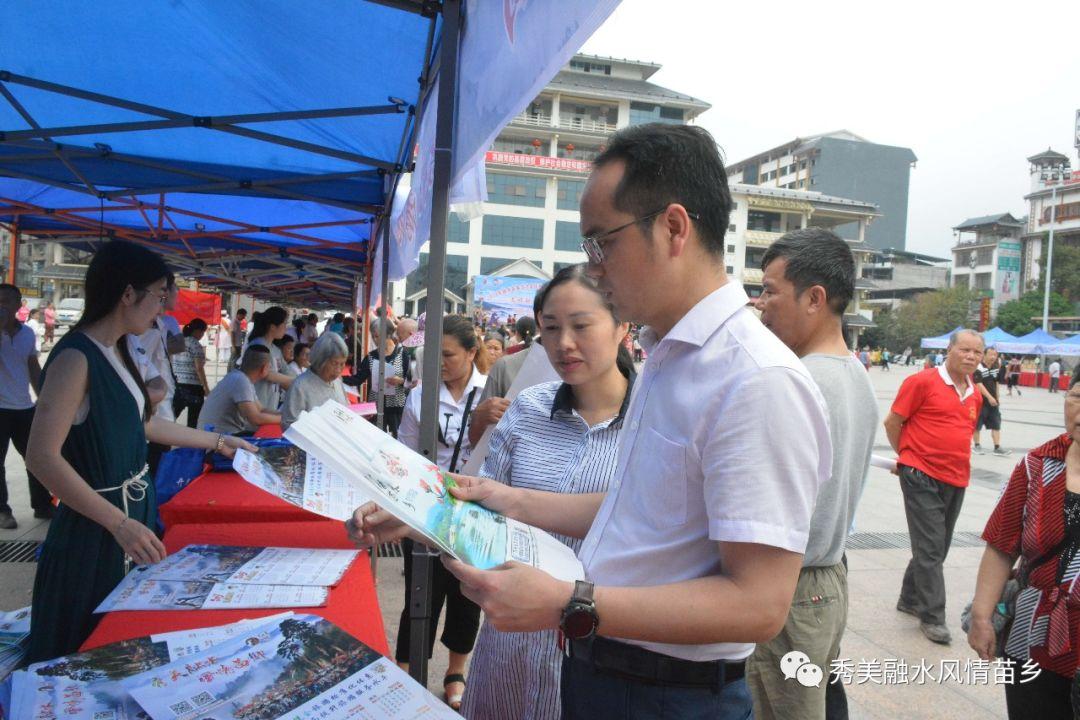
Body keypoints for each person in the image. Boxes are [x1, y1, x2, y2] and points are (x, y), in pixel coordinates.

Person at [350, 123, 830, 720]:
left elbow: (758, 606)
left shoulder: (756, 380)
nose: (594, 268)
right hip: (604, 670)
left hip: (666, 693)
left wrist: (570, 602)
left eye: (602, 243)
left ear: (673, 228)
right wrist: (502, 498)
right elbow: (641, 509)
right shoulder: (669, 359)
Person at [23, 240, 254, 662]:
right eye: (159, 297)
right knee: (83, 646)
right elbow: (41, 456)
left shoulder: (120, 350)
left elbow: (145, 424)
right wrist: (118, 524)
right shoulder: (75, 358)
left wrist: (220, 442)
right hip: (95, 530)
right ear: (127, 294)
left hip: (130, 519)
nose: (161, 311)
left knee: (121, 644)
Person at [463, 265, 634, 720]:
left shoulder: (655, 423)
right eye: (551, 329)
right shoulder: (529, 406)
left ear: (622, 325)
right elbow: (483, 510)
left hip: (599, 654)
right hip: (510, 645)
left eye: (581, 325)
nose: (564, 344)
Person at [748, 229, 877, 720]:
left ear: (815, 299)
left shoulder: (799, 383)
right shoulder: (854, 374)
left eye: (771, 290)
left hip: (791, 588)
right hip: (827, 582)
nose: (762, 304)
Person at [967, 373, 1080, 719]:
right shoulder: (1037, 465)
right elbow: (1002, 543)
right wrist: (981, 616)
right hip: (1031, 636)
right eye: (1077, 397)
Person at [392, 314, 489, 711]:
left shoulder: (489, 395)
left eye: (448, 355)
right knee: (420, 594)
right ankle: (404, 670)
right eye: (434, 355)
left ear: (471, 352)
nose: (440, 363)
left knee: (468, 596)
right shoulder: (420, 395)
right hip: (428, 510)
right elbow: (404, 454)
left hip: (477, 511)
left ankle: (455, 673)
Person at [884, 328, 985, 645]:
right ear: (949, 350)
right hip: (920, 472)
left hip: (956, 476)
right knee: (930, 547)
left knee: (937, 546)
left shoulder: (975, 393)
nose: (970, 356)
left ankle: (909, 598)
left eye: (976, 352)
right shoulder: (921, 382)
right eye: (964, 350)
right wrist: (907, 457)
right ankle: (933, 616)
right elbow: (892, 422)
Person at [0, 284, 51, 528]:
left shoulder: (28, 334)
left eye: (8, 301)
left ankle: (42, 505)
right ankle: (3, 511)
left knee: (35, 457)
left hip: (23, 407)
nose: (3, 305)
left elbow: (32, 366)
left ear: (19, 305)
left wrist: (44, 398)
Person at [345, 318, 411, 436]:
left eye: (377, 336)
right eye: (373, 336)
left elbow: (411, 381)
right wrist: (339, 379)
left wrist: (400, 381)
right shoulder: (371, 357)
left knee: (398, 440)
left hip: (397, 408)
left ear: (388, 335)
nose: (374, 340)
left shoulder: (403, 354)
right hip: (376, 407)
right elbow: (358, 379)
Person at [199, 345, 282, 435]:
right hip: (217, 440)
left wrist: (286, 416)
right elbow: (255, 419)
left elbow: (261, 409)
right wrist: (285, 419)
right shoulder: (240, 380)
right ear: (264, 368)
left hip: (220, 436)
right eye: (270, 367)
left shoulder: (242, 378)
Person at [280, 333, 349, 431]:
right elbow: (289, 427)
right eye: (334, 363)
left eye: (342, 364)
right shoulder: (300, 387)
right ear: (320, 360)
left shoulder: (337, 381)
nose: (338, 370)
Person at [245, 306, 294, 410]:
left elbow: (286, 370)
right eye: (284, 323)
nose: (286, 327)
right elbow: (267, 374)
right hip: (255, 402)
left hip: (270, 403)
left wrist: (297, 382)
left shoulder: (275, 349)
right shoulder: (257, 346)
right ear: (272, 327)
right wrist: (294, 381)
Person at [171, 318, 211, 429]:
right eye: (202, 332)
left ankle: (161, 439)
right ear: (197, 331)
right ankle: (191, 443)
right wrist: (206, 387)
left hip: (178, 384)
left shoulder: (179, 342)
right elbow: (199, 368)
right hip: (194, 387)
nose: (202, 335)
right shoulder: (195, 344)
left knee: (171, 416)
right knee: (193, 421)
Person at [973, 347, 1010, 456]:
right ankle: (977, 446)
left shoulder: (995, 367)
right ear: (984, 355)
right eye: (991, 354)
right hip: (980, 401)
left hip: (993, 402)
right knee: (977, 425)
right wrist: (989, 397)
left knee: (996, 423)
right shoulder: (978, 367)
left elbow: (996, 383)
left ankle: (997, 447)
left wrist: (997, 397)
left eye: (995, 355)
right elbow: (978, 384)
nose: (993, 357)